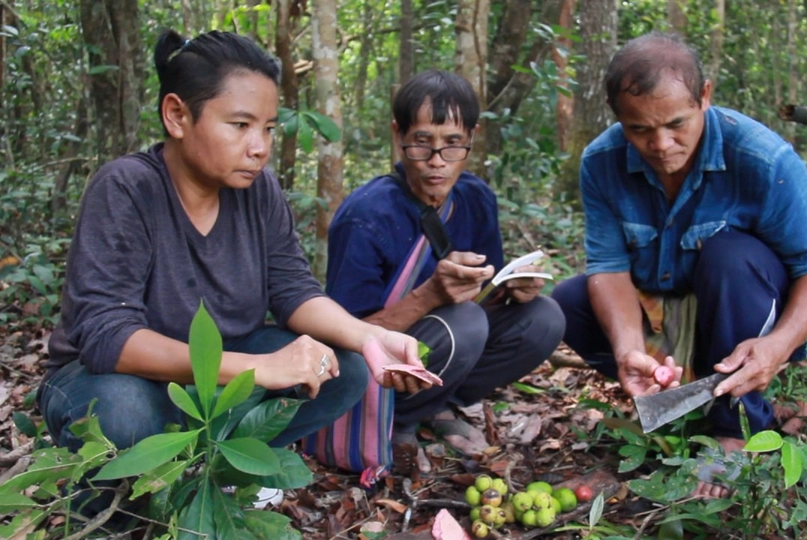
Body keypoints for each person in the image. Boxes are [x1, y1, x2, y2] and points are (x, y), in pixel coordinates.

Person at [39, 29, 430, 514]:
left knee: (344, 367)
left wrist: (371, 338)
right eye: (241, 125)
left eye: (268, 128)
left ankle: (217, 466)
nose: (260, 147)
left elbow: (292, 290)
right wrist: (260, 368)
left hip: (213, 375)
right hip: (108, 379)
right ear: (178, 115)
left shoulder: (259, 191)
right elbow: (106, 338)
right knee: (126, 412)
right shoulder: (126, 188)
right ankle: (127, 489)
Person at [550, 32, 807, 497]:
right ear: (618, 118)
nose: (660, 144)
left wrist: (780, 344)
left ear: (704, 96)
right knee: (566, 300)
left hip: (740, 309)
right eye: (639, 129)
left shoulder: (761, 160)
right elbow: (608, 267)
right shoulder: (601, 162)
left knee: (730, 256)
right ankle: (670, 395)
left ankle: (734, 428)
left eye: (676, 123)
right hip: (663, 309)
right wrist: (628, 348)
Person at [325, 70, 565, 470]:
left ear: (471, 138)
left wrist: (513, 288)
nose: (436, 163)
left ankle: (439, 406)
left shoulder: (476, 198)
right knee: (464, 323)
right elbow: (343, 338)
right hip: (379, 364)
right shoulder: (365, 216)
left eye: (452, 145)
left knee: (544, 319)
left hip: (449, 346)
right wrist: (430, 295)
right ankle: (399, 418)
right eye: (422, 143)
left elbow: (486, 298)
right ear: (398, 135)